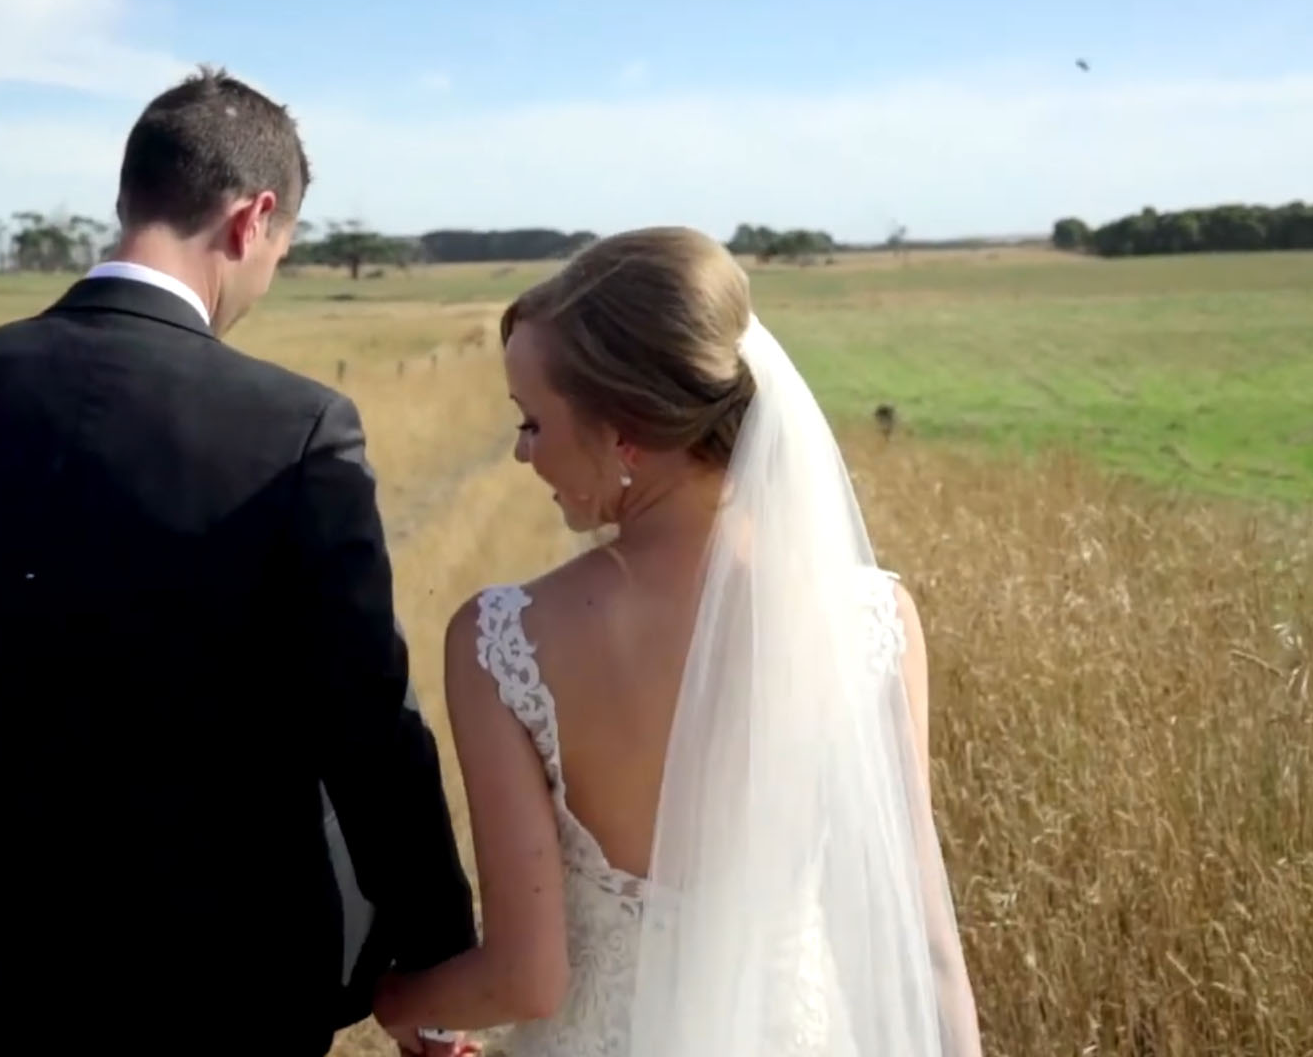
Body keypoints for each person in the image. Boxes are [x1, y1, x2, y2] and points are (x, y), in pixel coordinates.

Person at [0, 68, 476, 1056]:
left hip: (6, 965)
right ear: (253, 220)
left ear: (131, 197)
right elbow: (365, 724)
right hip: (238, 976)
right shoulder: (298, 427)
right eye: (280, 254)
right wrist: (437, 962)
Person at [370, 228, 983, 1056]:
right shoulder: (876, 622)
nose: (520, 452)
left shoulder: (502, 642)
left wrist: (399, 1000)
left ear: (623, 433)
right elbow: (925, 950)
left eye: (532, 422)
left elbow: (526, 979)